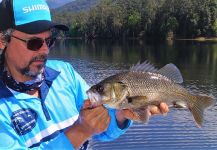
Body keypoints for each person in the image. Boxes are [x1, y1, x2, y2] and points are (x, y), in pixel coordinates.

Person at [0, 0, 169, 149]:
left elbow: (101, 130)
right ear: (2, 41)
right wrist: (81, 131)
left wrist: (120, 115)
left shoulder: (65, 75)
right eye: (34, 42)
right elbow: (86, 129)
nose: (45, 50)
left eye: (49, 41)